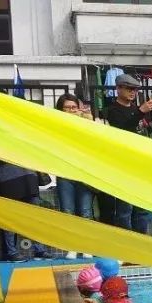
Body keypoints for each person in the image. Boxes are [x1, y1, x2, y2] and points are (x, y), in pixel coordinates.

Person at [103, 73, 152, 234]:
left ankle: (141, 241)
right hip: (124, 164)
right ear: (118, 89)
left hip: (140, 162)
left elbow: (144, 130)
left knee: (141, 208)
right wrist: (140, 112)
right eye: (129, 89)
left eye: (135, 90)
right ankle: (127, 243)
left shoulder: (135, 108)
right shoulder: (111, 110)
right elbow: (122, 130)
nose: (133, 92)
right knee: (124, 208)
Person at [54, 93, 97, 232]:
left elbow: (95, 142)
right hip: (65, 174)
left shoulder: (86, 124)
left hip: (84, 174)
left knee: (86, 212)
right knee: (67, 212)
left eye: (74, 108)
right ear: (60, 110)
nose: (71, 111)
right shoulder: (56, 126)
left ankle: (87, 247)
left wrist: (89, 120)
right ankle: (72, 247)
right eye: (67, 108)